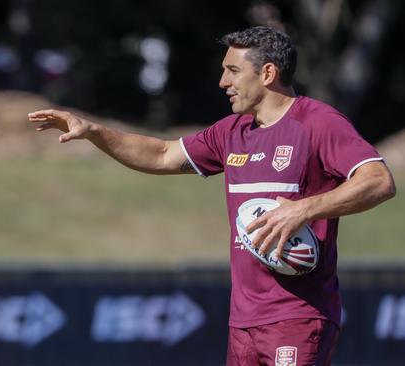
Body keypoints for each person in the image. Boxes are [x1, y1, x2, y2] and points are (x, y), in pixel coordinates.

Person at [29, 26, 396, 365]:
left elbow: (378, 180)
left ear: (267, 74)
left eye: (233, 71)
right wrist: (93, 131)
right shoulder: (231, 132)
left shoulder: (317, 123)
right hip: (243, 322)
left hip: (298, 315)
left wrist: (303, 209)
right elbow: (160, 154)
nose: (223, 82)